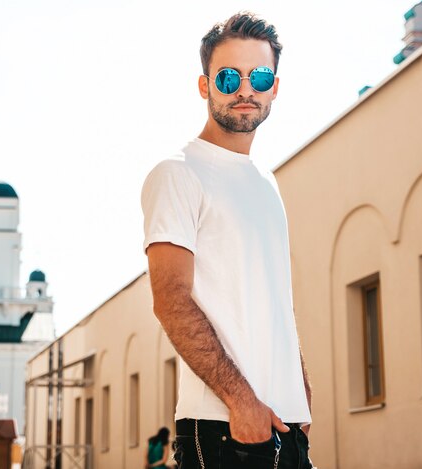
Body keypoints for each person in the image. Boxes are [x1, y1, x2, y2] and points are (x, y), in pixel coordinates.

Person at [141, 12, 314, 469]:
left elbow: (277, 301)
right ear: (204, 86)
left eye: (259, 76)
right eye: (228, 77)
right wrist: (241, 403)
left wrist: (301, 392)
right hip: (225, 430)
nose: (245, 90)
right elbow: (170, 299)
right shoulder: (178, 173)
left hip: (287, 425)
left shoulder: (267, 182)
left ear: (274, 87)